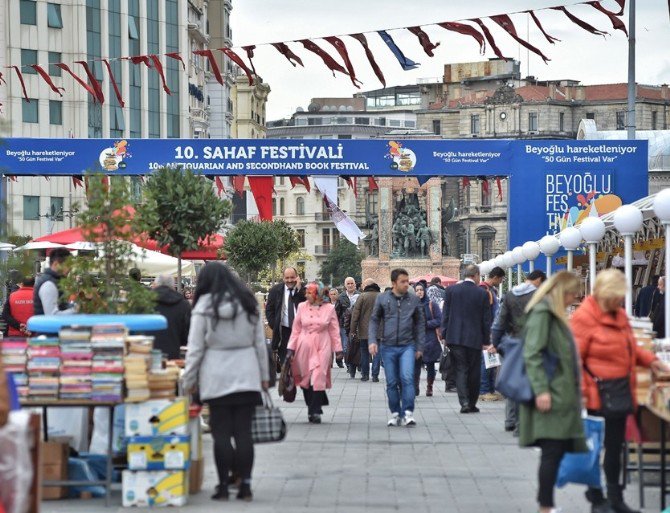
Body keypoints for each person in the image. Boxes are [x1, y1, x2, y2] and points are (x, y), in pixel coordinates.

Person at [573, 269, 668, 513]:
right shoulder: (584, 317)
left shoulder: (620, 315)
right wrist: (584, 391)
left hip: (620, 390)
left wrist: (651, 360)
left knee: (616, 446)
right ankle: (596, 497)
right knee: (594, 446)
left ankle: (615, 498)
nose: (618, 301)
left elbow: (631, 348)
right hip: (596, 392)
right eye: (615, 297)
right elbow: (572, 360)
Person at [182, 262, 270, 502]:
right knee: (243, 434)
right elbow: (260, 345)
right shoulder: (248, 303)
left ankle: (222, 486)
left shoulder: (203, 307)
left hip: (215, 375)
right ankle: (246, 486)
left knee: (220, 434)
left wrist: (187, 379)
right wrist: (264, 377)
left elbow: (196, 350)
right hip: (247, 373)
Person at [519, 271, 586, 513]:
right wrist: (542, 391)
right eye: (571, 293)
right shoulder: (543, 314)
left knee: (555, 451)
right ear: (561, 292)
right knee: (552, 451)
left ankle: (545, 504)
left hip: (560, 393)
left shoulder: (553, 315)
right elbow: (533, 354)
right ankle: (545, 506)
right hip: (550, 394)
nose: (574, 297)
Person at [491, 270, 547, 436]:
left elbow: (499, 322)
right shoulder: (539, 296)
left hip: (513, 343)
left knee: (514, 380)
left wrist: (496, 343)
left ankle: (510, 420)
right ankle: (522, 424)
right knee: (528, 382)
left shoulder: (510, 294)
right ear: (538, 280)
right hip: (534, 343)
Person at [369, 268, 425, 427]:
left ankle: (407, 412)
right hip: (388, 346)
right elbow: (374, 320)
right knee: (392, 382)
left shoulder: (413, 300)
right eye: (403, 281)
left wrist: (420, 346)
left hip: (408, 345)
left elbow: (420, 323)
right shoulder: (382, 298)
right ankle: (395, 413)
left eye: (408, 281)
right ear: (394, 283)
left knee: (407, 379)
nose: (407, 284)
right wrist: (372, 340)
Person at [286, 281, 343, 424]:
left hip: (322, 344)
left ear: (318, 294)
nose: (306, 295)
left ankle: (315, 410)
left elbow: (334, 331)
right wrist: (290, 348)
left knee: (319, 375)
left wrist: (338, 350)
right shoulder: (301, 307)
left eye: (309, 293)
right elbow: (296, 329)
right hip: (304, 345)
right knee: (305, 377)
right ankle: (312, 403)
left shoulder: (329, 308)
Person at [441, 265, 492, 414]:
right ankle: (472, 403)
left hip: (455, 337)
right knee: (474, 371)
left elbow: (446, 314)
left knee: (460, 370)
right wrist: (486, 340)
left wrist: (444, 335)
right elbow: (486, 319)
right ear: (476, 275)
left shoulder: (451, 291)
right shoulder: (481, 293)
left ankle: (463, 402)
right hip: (474, 338)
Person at [265, 268, 306, 366]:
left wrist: (299, 288)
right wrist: (274, 325)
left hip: (301, 331)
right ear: (283, 278)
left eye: (292, 277)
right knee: (286, 363)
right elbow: (269, 310)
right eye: (287, 278)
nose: (290, 280)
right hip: (283, 332)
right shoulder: (276, 290)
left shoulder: (304, 290)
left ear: (297, 277)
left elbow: (311, 304)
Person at [479, 266, 506, 401]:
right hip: (487, 331)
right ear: (495, 277)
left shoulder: (490, 290)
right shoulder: (484, 290)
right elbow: (486, 314)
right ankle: (484, 390)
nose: (501, 282)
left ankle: (489, 389)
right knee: (486, 361)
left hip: (491, 330)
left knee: (491, 362)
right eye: (501, 279)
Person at [152, 275, 192, 360]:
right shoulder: (184, 305)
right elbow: (188, 333)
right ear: (173, 287)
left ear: (155, 285)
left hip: (147, 354)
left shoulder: (145, 302)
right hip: (173, 355)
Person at [413, 283, 442, 397]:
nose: (419, 292)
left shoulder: (431, 304)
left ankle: (429, 387)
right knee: (415, 365)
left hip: (430, 340)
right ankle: (415, 387)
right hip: (416, 340)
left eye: (421, 290)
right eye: (417, 290)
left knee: (430, 365)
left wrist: (426, 324)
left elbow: (439, 320)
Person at [350, 279, 382, 382]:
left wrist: (353, 330)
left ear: (366, 286)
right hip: (378, 330)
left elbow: (355, 315)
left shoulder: (362, 297)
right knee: (377, 352)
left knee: (364, 352)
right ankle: (375, 375)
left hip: (364, 331)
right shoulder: (381, 296)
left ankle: (365, 375)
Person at [33, 248, 74, 316]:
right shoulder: (49, 284)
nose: (70, 268)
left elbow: (62, 306)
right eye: (68, 265)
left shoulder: (53, 281)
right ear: (56, 264)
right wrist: (77, 310)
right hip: (46, 326)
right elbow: (52, 316)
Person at [339, 277, 360, 376]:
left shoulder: (360, 295)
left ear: (355, 284)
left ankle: (357, 364)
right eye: (348, 283)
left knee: (357, 346)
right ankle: (349, 365)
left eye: (352, 283)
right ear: (345, 285)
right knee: (346, 346)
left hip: (358, 325)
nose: (350, 285)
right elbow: (337, 312)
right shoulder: (341, 297)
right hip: (344, 325)